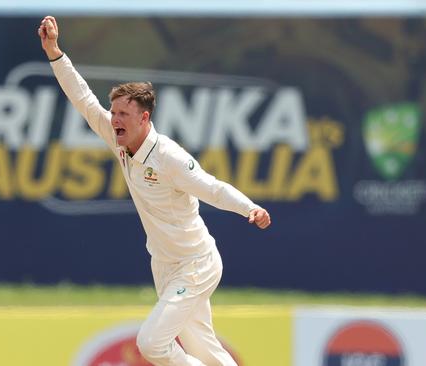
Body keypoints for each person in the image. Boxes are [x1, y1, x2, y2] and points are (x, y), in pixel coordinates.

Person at [38, 16, 271, 366]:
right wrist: (55, 53)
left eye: (123, 115)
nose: (115, 119)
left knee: (151, 343)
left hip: (195, 263)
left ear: (144, 119)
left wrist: (249, 208)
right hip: (164, 264)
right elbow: (83, 99)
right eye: (114, 112)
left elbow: (212, 187)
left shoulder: (169, 157)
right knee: (206, 350)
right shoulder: (118, 141)